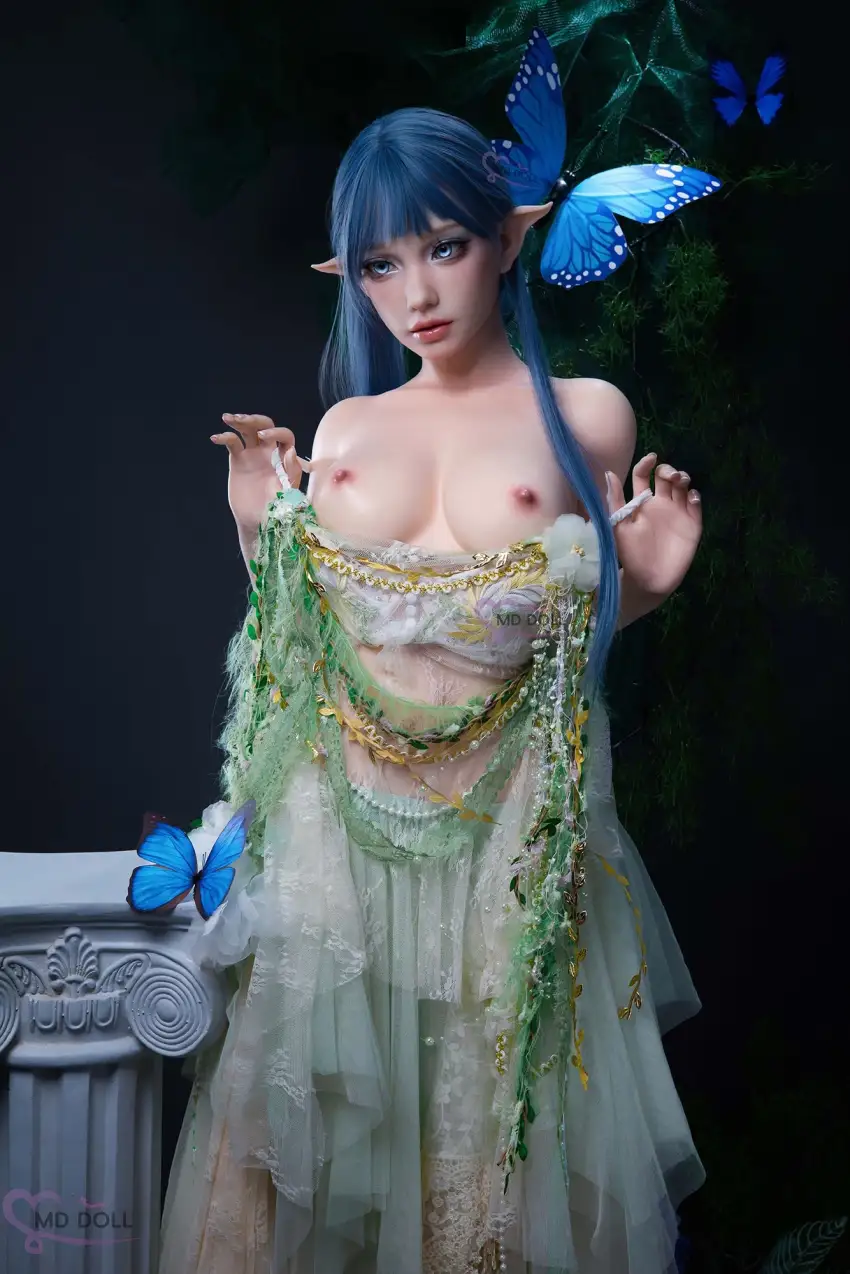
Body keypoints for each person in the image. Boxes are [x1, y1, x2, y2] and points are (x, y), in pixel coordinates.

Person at [159, 106, 706, 1274]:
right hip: (337, 857)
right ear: (348, 275)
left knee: (496, 1159)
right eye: (378, 263)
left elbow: (561, 645)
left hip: (509, 849)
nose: (414, 292)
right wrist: (259, 532)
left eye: (444, 245)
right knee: (313, 1164)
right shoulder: (347, 426)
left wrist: (644, 587)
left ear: (509, 238)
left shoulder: (585, 413)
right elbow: (303, 648)